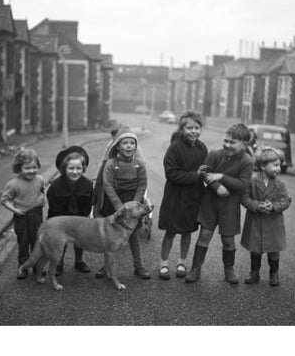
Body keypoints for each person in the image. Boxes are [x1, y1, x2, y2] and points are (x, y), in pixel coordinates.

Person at [185, 123, 254, 284]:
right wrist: (217, 187)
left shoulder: (247, 161)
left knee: (228, 240)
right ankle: (196, 268)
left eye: (232, 142)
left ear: (244, 144)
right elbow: (204, 173)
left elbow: (243, 184)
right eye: (226, 141)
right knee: (205, 235)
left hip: (230, 205)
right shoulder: (215, 154)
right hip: (210, 202)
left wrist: (221, 177)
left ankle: (229, 269)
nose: (227, 145)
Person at [93, 125, 151, 280]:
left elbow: (142, 185)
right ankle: (105, 267)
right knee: (109, 235)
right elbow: (108, 185)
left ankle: (138, 266)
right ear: (117, 146)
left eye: (132, 143)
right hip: (113, 203)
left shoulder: (139, 164)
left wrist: (135, 204)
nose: (129, 146)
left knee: (132, 235)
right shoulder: (110, 164)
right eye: (125, 143)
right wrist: (120, 208)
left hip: (133, 203)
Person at [157, 111, 208, 280]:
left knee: (187, 231)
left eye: (197, 127)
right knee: (171, 231)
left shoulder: (202, 148)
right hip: (175, 197)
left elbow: (205, 171)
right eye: (190, 128)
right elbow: (171, 174)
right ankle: (163, 264)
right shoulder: (175, 148)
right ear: (182, 129)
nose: (194, 131)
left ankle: (181, 263)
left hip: (193, 198)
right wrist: (196, 175)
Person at [240, 148, 291, 286]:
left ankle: (274, 273)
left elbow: (286, 200)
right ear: (263, 166)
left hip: (274, 222)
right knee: (255, 249)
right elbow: (244, 198)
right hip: (255, 221)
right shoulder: (252, 182)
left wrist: (273, 206)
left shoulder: (280, 184)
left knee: (274, 250)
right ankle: (254, 273)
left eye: (279, 165)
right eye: (275, 165)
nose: (279, 168)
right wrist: (256, 205)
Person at [47, 146, 94, 275]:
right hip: (60, 219)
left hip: (79, 218)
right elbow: (54, 209)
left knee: (80, 240)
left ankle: (79, 261)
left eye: (78, 168)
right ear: (64, 169)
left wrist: (80, 220)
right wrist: (65, 224)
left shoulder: (88, 185)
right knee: (60, 242)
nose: (75, 172)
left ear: (83, 169)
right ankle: (59, 263)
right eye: (71, 168)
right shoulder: (55, 187)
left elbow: (87, 206)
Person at [1, 148, 45, 279]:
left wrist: (43, 200)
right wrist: (15, 210)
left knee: (37, 242)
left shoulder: (40, 179)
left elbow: (41, 190)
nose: (31, 171)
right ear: (19, 168)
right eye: (27, 168)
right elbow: (4, 200)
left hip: (37, 214)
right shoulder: (13, 184)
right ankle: (23, 267)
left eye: (34, 167)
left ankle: (37, 265)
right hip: (22, 216)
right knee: (24, 243)